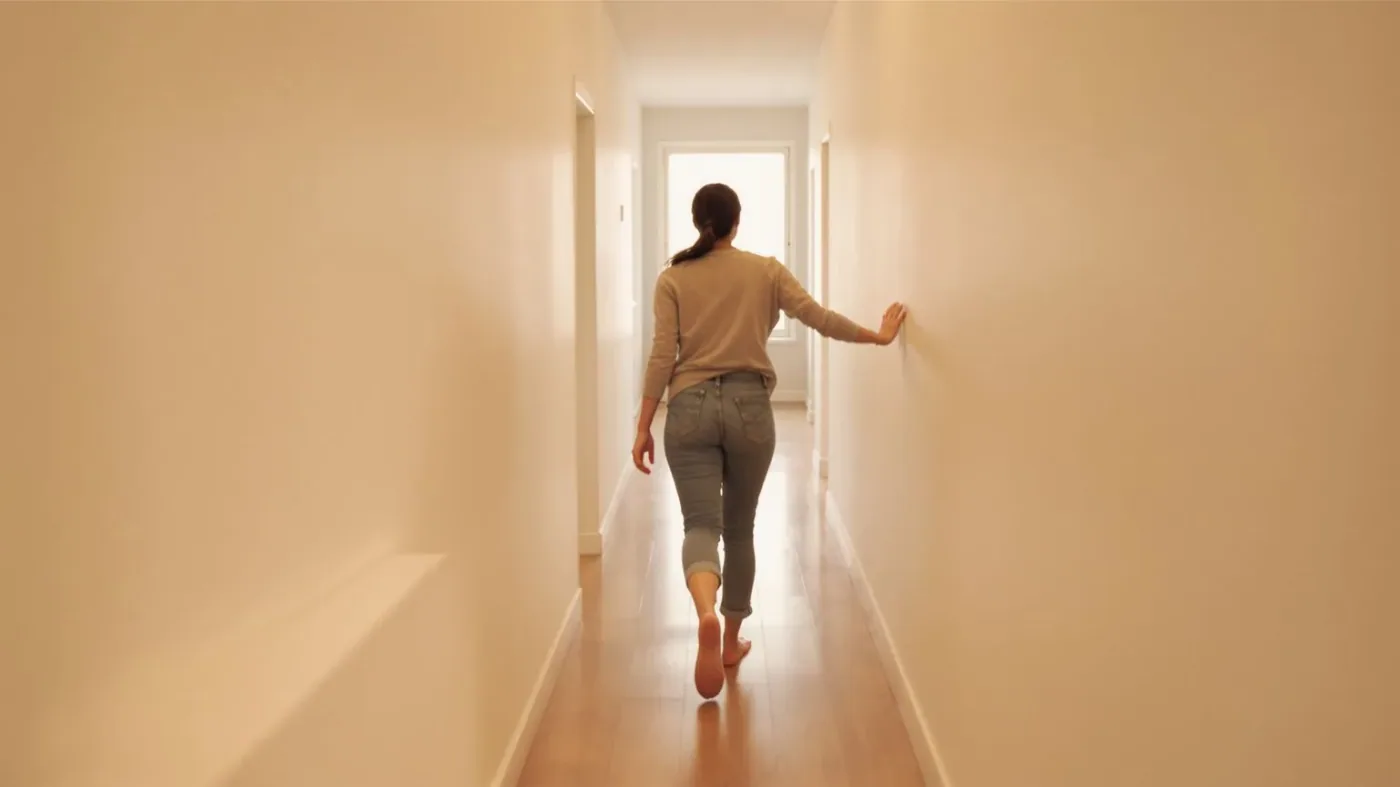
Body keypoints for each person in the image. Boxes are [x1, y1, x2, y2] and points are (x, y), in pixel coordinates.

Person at [631, 182, 907, 700]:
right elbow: (818, 318)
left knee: (699, 525)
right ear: (737, 221)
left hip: (687, 408)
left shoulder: (671, 279)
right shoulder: (766, 270)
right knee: (739, 530)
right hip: (750, 408)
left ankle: (705, 611)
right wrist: (877, 335)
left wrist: (643, 424)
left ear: (698, 223)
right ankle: (730, 642)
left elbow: (661, 356)